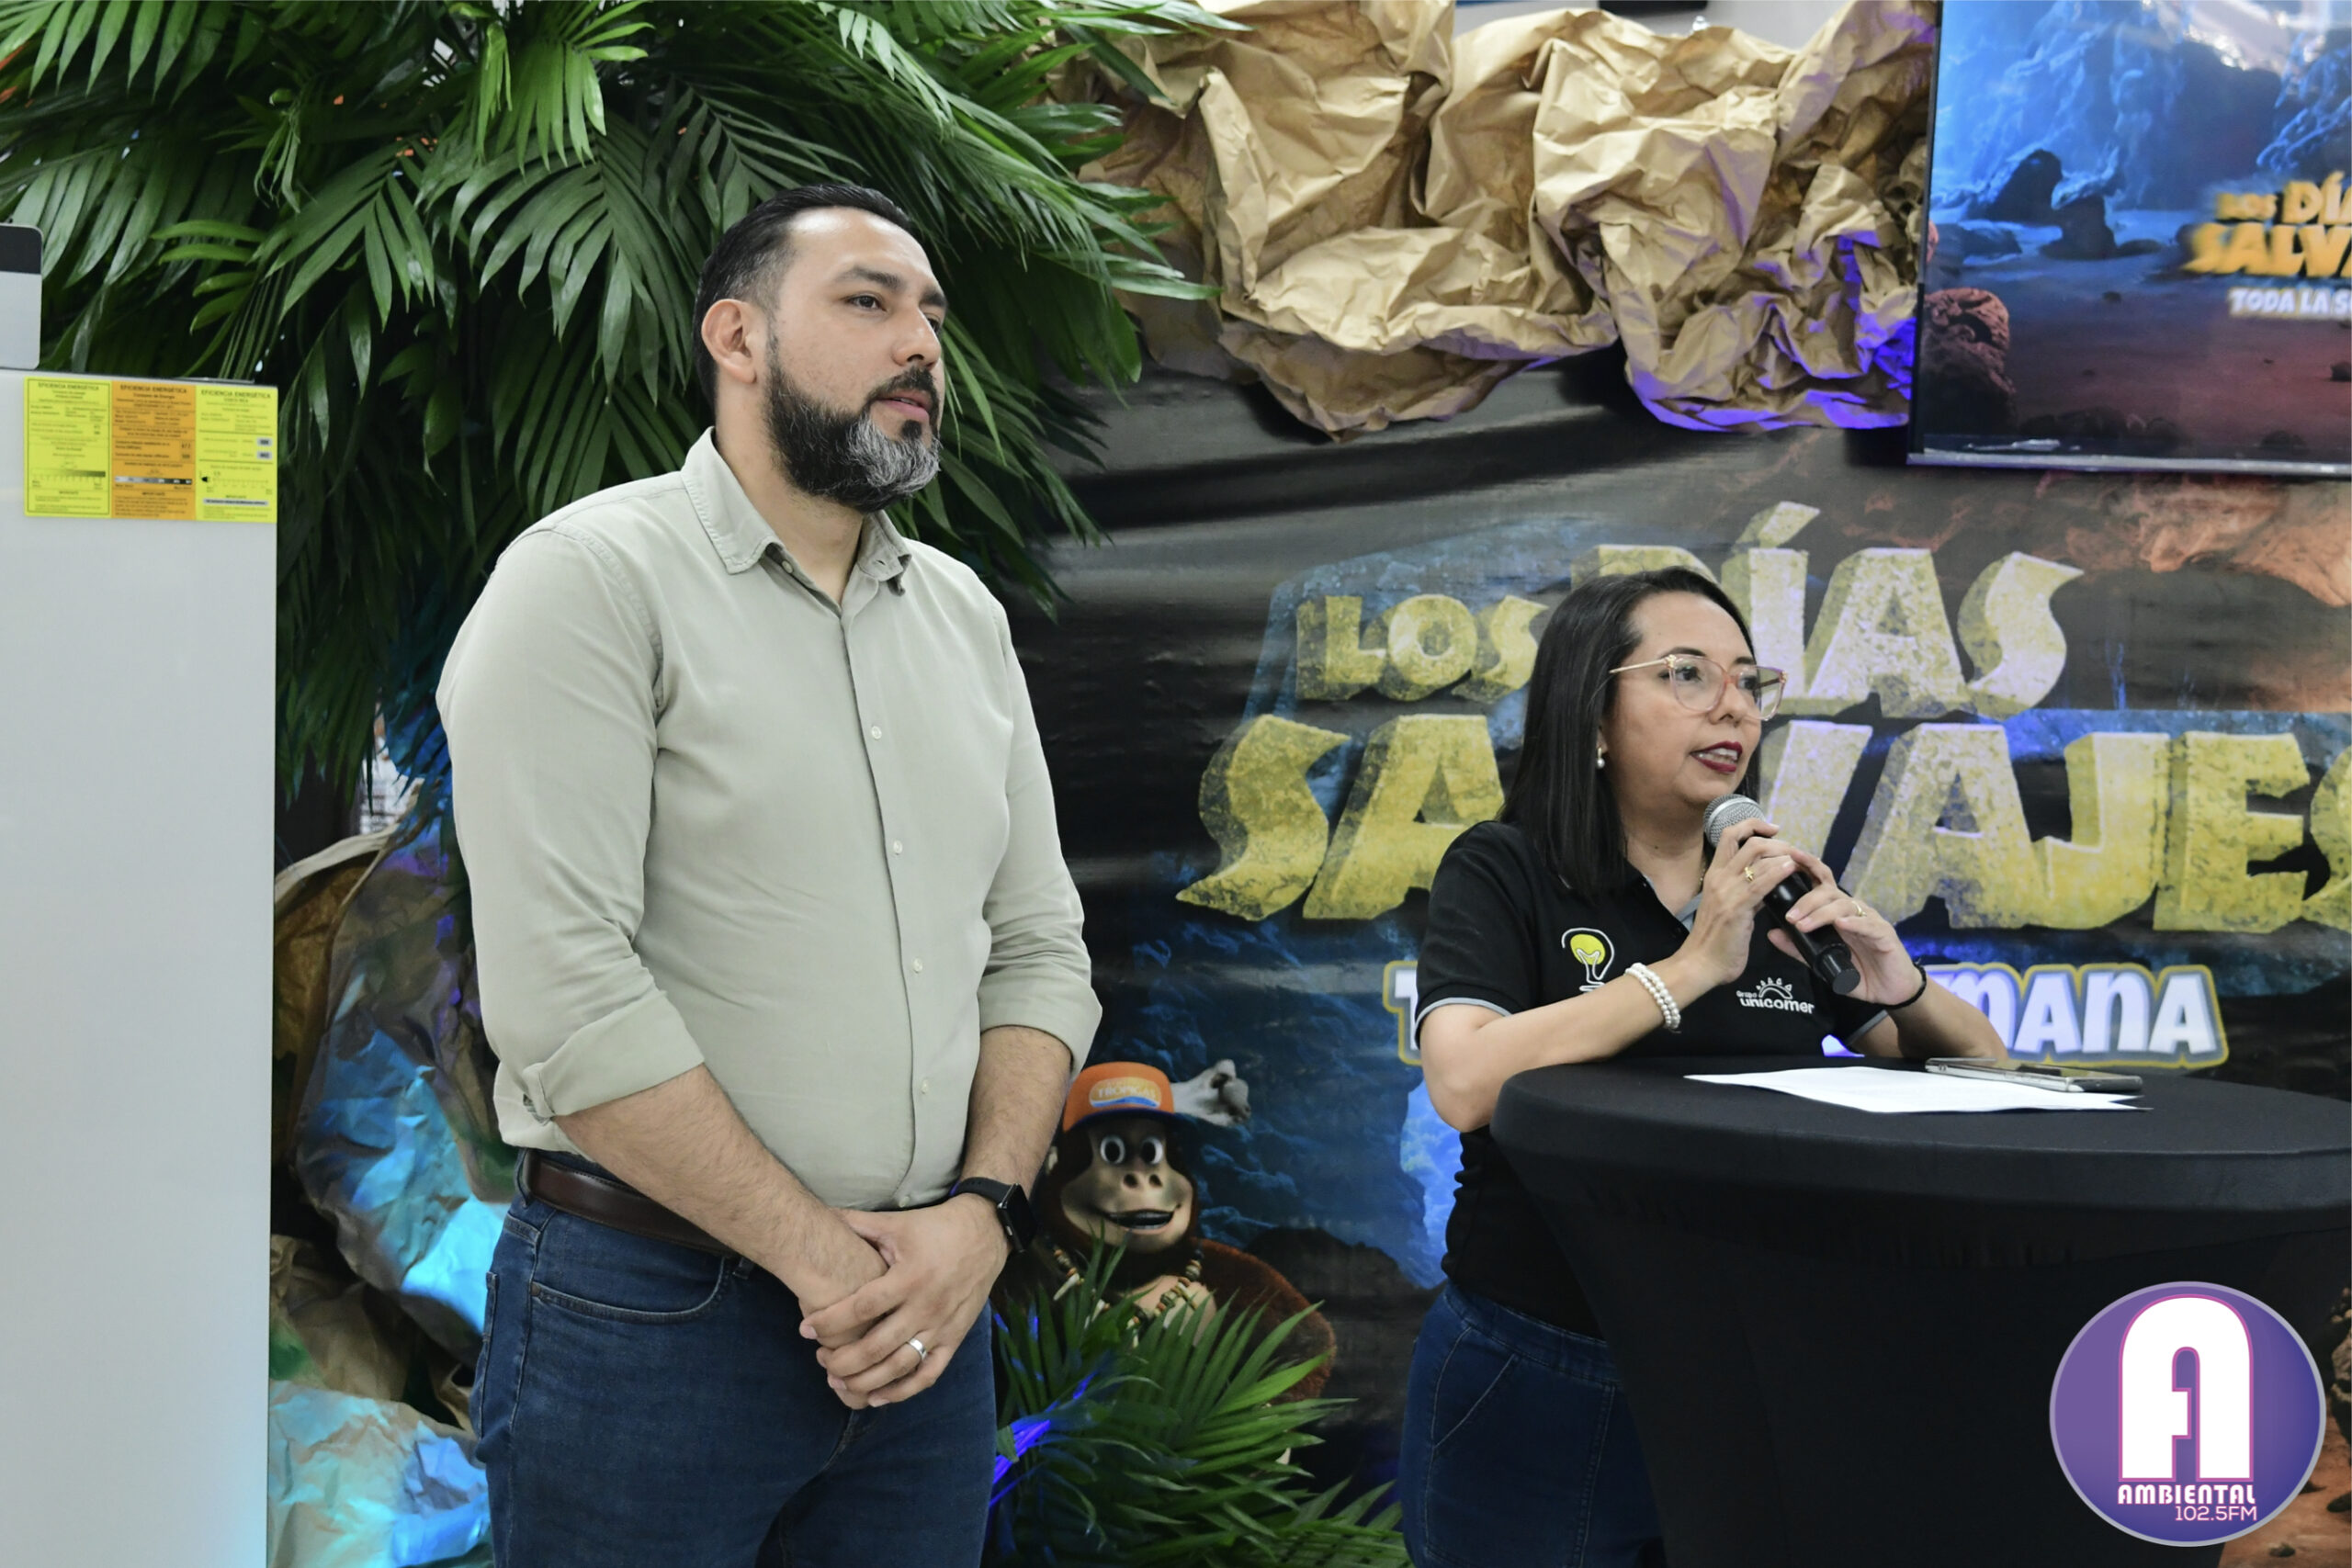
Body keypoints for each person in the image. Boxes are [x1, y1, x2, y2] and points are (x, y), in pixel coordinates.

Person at [437, 184, 1102, 1567]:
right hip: (650, 1318)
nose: (920, 343)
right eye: (868, 301)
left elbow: (1038, 945)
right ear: (736, 338)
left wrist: (982, 1218)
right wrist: (824, 1261)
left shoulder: (964, 618)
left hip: (927, 1318)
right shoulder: (589, 581)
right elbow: (564, 995)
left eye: (931, 315)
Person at [1396, 567, 2002, 1568]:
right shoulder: (1506, 868)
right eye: (1686, 674)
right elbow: (1462, 1082)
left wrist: (1902, 985)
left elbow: (1980, 1067)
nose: (1732, 707)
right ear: (1592, 715)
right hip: (1545, 1367)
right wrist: (1687, 967)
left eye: (1747, 681)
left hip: (1755, 1381)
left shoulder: (1776, 890)